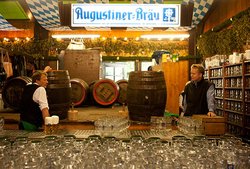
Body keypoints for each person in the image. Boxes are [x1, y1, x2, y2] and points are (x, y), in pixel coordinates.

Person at [19, 66, 52, 130]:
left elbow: (35, 78)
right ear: (37, 81)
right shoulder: (41, 89)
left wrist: (44, 71)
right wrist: (48, 126)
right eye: (44, 80)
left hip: (22, 123)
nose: (47, 82)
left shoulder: (28, 86)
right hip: (31, 125)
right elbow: (44, 109)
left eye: (47, 80)